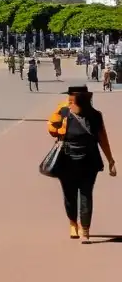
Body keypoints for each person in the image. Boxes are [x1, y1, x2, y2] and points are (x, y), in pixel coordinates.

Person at [47, 86, 117, 242]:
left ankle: (85, 229)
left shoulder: (95, 116)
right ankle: (73, 223)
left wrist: (111, 160)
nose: (69, 99)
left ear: (77, 98)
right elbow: (52, 129)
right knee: (70, 195)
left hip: (89, 161)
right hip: (66, 161)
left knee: (86, 194)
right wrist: (58, 119)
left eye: (71, 97)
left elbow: (102, 139)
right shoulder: (64, 113)